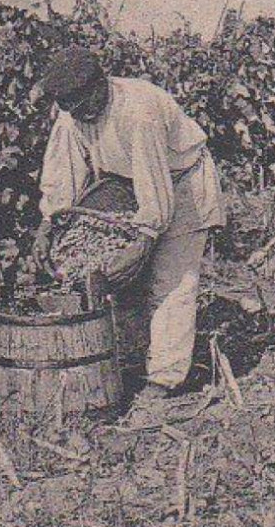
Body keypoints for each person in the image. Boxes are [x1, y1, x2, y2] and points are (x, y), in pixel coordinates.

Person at [32, 47, 225, 396]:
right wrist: (49, 222)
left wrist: (144, 238)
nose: (82, 115)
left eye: (86, 105)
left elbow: (155, 189)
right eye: (73, 109)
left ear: (100, 85)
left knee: (172, 281)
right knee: (123, 284)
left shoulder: (139, 112)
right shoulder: (70, 113)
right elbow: (63, 171)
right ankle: (132, 358)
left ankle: (165, 378)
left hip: (181, 186)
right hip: (127, 186)